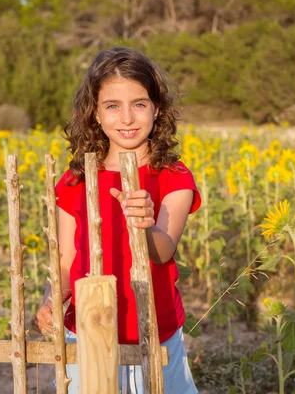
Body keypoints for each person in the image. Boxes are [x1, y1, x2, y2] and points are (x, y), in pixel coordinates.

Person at [34, 47, 201, 393]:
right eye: (112, 106)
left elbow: (164, 249)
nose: (127, 118)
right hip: (86, 330)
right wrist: (52, 300)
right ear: (94, 113)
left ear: (156, 109)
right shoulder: (75, 180)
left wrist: (146, 224)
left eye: (139, 104)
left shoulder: (172, 176)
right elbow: (66, 262)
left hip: (155, 331)